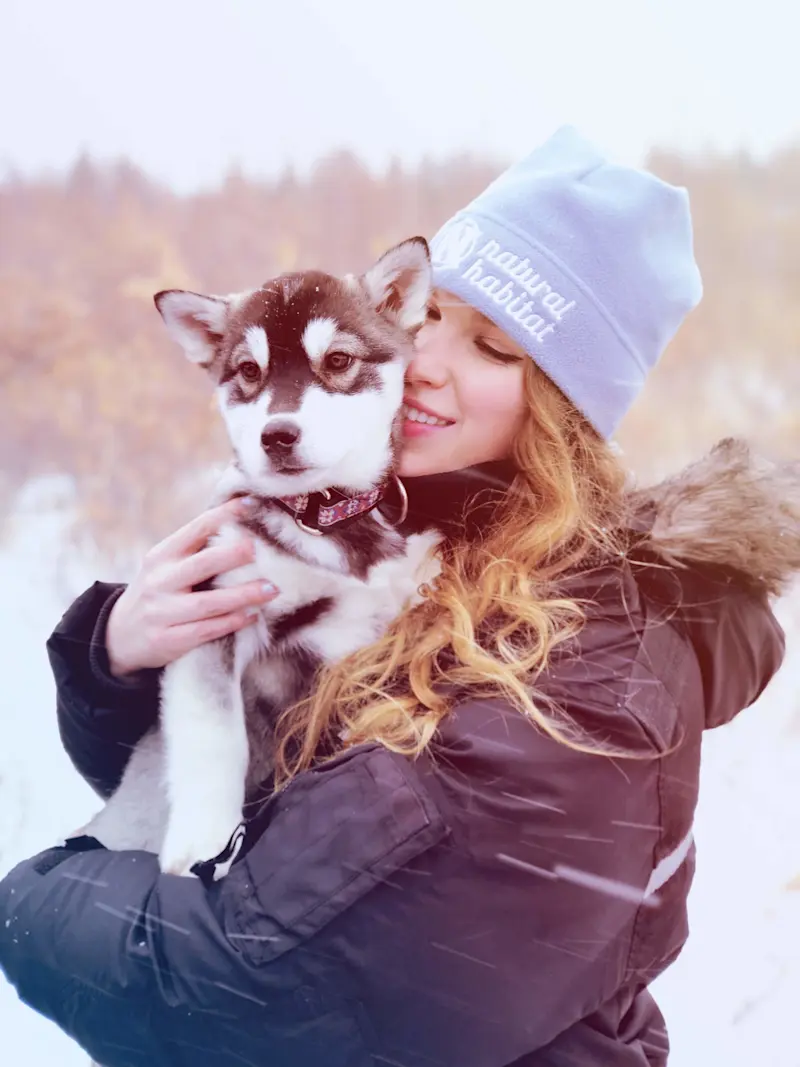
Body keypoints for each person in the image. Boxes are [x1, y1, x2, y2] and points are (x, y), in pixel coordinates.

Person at [0, 126, 795, 1067]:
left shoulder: (592, 659)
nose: (422, 361)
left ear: (562, 406)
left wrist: (40, 902)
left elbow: (262, 981)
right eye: (426, 319)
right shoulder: (386, 524)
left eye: (493, 345)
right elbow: (264, 802)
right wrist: (122, 659)